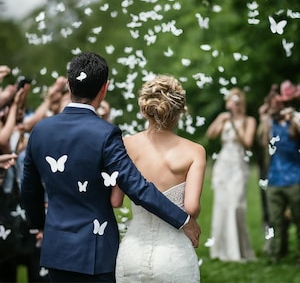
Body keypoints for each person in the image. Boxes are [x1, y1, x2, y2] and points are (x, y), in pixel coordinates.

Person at [21, 52, 201, 283]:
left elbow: (29, 189)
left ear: (68, 85)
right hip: (96, 252)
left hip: (57, 248)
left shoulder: (40, 130)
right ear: (104, 88)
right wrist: (183, 220)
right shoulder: (106, 134)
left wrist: (39, 225)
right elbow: (135, 186)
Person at [115, 75, 206, 282]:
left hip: (132, 253)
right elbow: (191, 208)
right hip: (173, 256)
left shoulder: (125, 145)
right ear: (180, 110)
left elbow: (116, 200)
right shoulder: (195, 151)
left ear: (144, 110)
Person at [206, 87, 256, 262]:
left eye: (235, 102)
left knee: (236, 205)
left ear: (240, 104)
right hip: (223, 164)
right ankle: (220, 250)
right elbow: (210, 135)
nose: (232, 106)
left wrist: (235, 123)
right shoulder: (224, 118)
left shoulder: (249, 120)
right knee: (221, 205)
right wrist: (221, 120)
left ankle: (238, 251)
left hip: (238, 164)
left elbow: (248, 142)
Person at [262, 80, 300, 265]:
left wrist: (293, 120)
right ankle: (276, 256)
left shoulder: (296, 120)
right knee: (275, 221)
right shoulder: (268, 123)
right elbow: (262, 141)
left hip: (295, 178)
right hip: (274, 179)